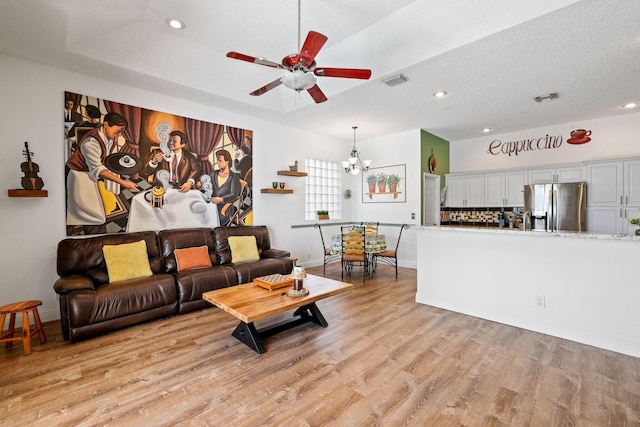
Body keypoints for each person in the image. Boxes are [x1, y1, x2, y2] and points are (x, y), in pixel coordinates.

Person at [66, 112, 140, 235]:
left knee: (89, 214)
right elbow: (98, 169)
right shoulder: (91, 142)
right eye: (118, 131)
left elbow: (104, 159)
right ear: (106, 125)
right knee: (93, 215)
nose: (120, 135)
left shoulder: (109, 138)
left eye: (122, 132)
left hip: (89, 175)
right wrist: (123, 183)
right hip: (80, 176)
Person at [210, 149, 241, 226]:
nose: (218, 163)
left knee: (213, 219)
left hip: (225, 208)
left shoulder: (234, 177)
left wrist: (221, 199)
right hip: (211, 205)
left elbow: (234, 194)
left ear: (227, 162)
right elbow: (208, 188)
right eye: (217, 161)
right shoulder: (213, 174)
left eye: (220, 161)